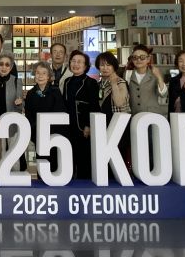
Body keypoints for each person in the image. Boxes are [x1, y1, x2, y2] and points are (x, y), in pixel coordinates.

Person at [63, 50, 100, 180]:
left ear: (85, 66)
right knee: (69, 158)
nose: (76, 64)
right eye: (73, 61)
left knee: (83, 160)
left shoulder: (91, 82)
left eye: (79, 62)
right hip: (69, 126)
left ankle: (84, 186)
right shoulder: (67, 81)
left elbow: (94, 106)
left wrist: (88, 125)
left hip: (83, 127)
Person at [24, 61, 66, 172]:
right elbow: (29, 115)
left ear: (48, 76)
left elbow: (60, 111)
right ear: (34, 75)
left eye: (44, 73)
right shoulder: (31, 93)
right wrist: (35, 130)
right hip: (38, 134)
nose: (40, 76)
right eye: (38, 73)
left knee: (54, 164)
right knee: (42, 164)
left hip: (54, 135)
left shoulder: (55, 91)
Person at [126, 44, 169, 117]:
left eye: (142, 57)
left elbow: (163, 94)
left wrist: (159, 77)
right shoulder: (128, 74)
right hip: (134, 115)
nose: (138, 60)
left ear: (148, 59)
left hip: (152, 115)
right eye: (135, 57)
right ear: (132, 59)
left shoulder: (155, 73)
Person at [95, 52, 130, 123]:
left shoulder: (121, 82)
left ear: (114, 66)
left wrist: (114, 83)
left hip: (119, 124)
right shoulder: (99, 84)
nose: (105, 68)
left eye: (108, 65)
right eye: (102, 65)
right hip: (103, 123)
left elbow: (119, 103)